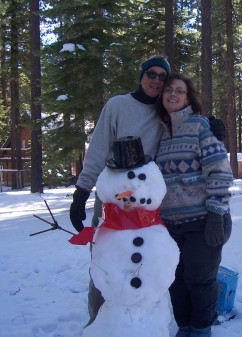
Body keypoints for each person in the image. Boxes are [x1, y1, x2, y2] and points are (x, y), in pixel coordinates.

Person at [69, 55, 171, 326]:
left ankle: (141, 327)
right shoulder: (118, 105)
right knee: (106, 265)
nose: (157, 80)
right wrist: (81, 192)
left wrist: (211, 129)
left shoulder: (165, 113)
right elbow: (98, 150)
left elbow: (190, 121)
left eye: (163, 77)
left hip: (146, 207)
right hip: (112, 202)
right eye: (152, 74)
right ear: (141, 76)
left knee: (145, 267)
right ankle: (98, 324)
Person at [155, 73, 233, 337]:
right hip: (169, 225)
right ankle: (184, 327)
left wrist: (216, 214)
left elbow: (220, 171)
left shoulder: (200, 126)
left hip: (202, 220)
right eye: (168, 90)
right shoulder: (160, 133)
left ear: (188, 98)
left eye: (179, 91)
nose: (173, 94)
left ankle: (201, 330)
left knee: (199, 280)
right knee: (175, 281)